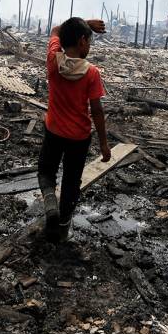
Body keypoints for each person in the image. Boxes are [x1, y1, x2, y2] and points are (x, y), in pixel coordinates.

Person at [38, 17, 109, 242]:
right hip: (79, 137)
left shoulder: (52, 60)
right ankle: (63, 226)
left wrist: (85, 22)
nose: (89, 46)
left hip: (54, 131)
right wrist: (105, 145)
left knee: (46, 171)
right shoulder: (92, 73)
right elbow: (97, 111)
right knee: (71, 181)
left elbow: (56, 29)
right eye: (88, 41)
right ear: (81, 41)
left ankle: (50, 203)